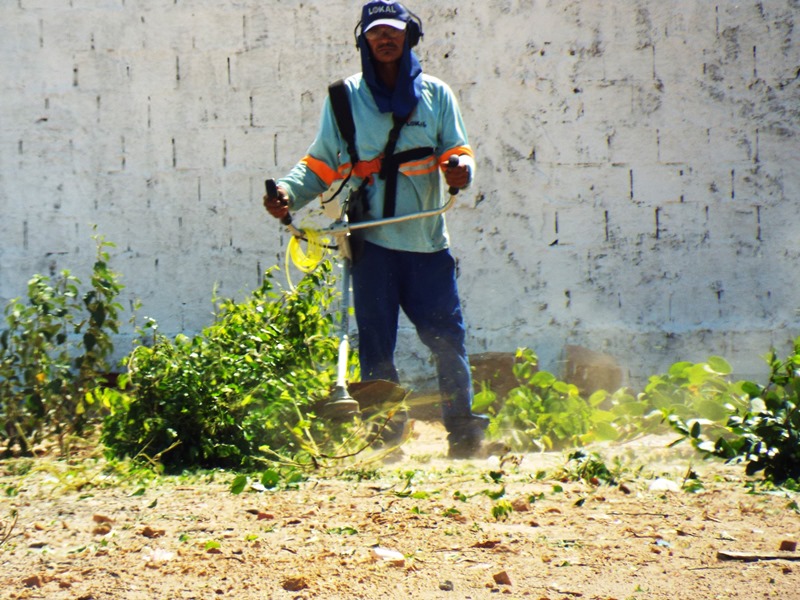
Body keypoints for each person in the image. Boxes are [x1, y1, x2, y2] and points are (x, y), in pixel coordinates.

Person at [264, 0, 487, 458]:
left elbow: (457, 150)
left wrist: (460, 169)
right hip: (372, 243)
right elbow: (319, 164)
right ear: (363, 40)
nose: (385, 39)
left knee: (447, 341)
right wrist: (286, 193)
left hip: (426, 241)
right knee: (376, 347)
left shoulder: (437, 96)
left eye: (393, 31)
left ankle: (465, 436)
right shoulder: (344, 99)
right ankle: (387, 439)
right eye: (375, 33)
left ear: (410, 37)